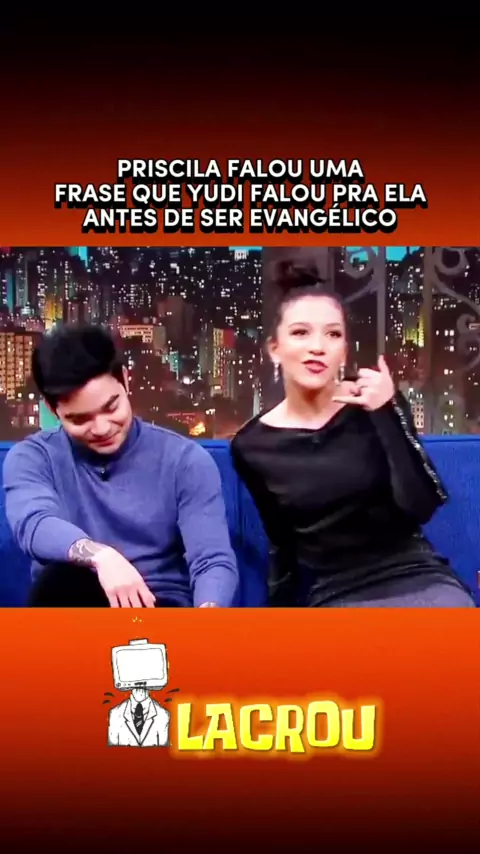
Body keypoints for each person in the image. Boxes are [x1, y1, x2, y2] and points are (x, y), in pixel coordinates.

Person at [230, 263, 476, 608]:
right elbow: (282, 544)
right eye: (301, 333)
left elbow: (421, 504)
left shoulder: (376, 404)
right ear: (274, 349)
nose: (318, 347)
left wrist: (386, 412)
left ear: (344, 351)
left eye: (333, 335)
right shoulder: (251, 446)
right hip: (335, 590)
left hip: (415, 574)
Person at [3, 323, 239, 608]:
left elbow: (211, 560)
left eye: (111, 407)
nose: (102, 428)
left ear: (125, 380)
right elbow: (34, 523)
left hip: (159, 609)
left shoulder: (185, 459)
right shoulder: (33, 457)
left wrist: (208, 615)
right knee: (60, 578)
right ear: (53, 410)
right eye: (80, 419)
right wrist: (101, 557)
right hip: (75, 607)